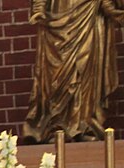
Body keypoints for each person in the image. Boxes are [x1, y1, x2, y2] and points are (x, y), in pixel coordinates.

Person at [21, 0, 124, 142]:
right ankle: (55, 127)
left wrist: (110, 7)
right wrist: (39, 7)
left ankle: (84, 124)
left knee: (86, 69)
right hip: (57, 14)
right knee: (56, 75)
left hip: (88, 13)